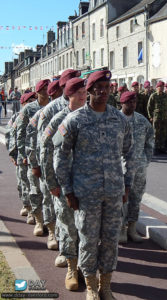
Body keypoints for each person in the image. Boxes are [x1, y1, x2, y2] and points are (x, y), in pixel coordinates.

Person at [53, 70, 135, 300]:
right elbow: (60, 156)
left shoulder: (119, 120)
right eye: (97, 88)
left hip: (113, 192)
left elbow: (129, 153)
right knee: (88, 240)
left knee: (110, 241)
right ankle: (90, 286)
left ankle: (105, 285)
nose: (102, 92)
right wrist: (67, 190)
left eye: (106, 87)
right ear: (88, 91)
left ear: (111, 90)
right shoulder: (74, 120)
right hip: (85, 194)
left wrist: (127, 184)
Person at [41, 78, 87, 290]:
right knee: (69, 228)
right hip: (65, 185)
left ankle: (86, 269)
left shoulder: (90, 117)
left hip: (88, 184)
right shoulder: (59, 120)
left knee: (87, 229)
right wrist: (52, 182)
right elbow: (46, 151)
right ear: (68, 95)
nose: (83, 96)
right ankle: (71, 267)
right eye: (78, 92)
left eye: (84, 92)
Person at [119, 91, 154, 243]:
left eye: (134, 102)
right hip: (119, 168)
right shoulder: (115, 120)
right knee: (121, 199)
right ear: (122, 103)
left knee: (136, 198)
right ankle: (120, 229)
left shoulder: (142, 121)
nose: (132, 105)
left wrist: (146, 160)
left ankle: (132, 228)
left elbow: (150, 141)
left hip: (139, 167)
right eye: (129, 102)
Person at [16, 81, 50, 236]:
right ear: (37, 92)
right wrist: (23, 155)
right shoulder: (29, 109)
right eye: (43, 90)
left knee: (50, 192)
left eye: (47, 89)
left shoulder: (54, 107)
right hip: (33, 155)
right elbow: (21, 132)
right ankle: (39, 221)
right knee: (35, 191)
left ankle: (51, 225)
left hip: (49, 156)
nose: (46, 92)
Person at [8, 93, 36, 224]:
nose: (32, 102)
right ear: (23, 103)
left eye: (33, 100)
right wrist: (13, 154)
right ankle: (27, 206)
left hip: (33, 154)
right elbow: (11, 136)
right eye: (29, 100)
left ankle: (35, 209)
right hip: (21, 154)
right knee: (23, 183)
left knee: (34, 185)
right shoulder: (16, 117)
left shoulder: (38, 114)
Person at [147, 81, 167, 154]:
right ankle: (155, 148)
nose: (162, 88)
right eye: (160, 87)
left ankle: (162, 147)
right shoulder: (153, 96)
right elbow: (149, 107)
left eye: (163, 87)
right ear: (157, 87)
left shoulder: (166, 96)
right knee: (156, 133)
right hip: (156, 117)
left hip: (164, 117)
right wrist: (150, 116)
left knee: (163, 133)